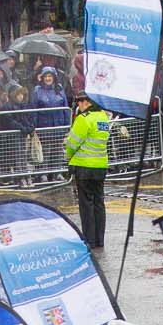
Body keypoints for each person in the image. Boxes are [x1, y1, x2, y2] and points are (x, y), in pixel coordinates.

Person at [64, 92, 111, 249]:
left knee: (86, 204)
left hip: (84, 166)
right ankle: (99, 239)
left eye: (80, 102)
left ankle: (89, 239)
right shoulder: (103, 118)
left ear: (87, 102)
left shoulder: (83, 119)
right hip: (100, 166)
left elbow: (72, 143)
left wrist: (68, 157)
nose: (78, 105)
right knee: (99, 203)